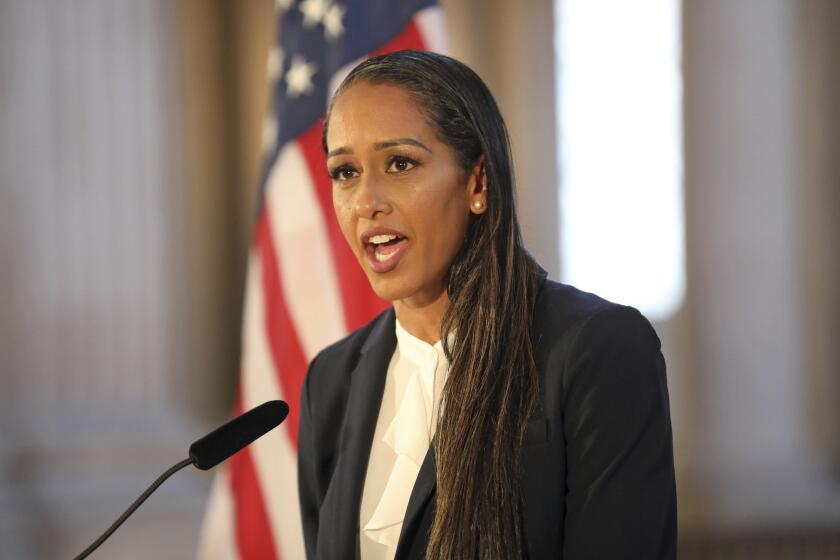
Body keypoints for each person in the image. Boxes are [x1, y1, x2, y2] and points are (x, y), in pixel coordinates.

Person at [297, 50, 677, 560]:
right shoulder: (331, 380)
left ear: (477, 182)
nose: (367, 201)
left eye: (400, 163)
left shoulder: (597, 350)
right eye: (344, 172)